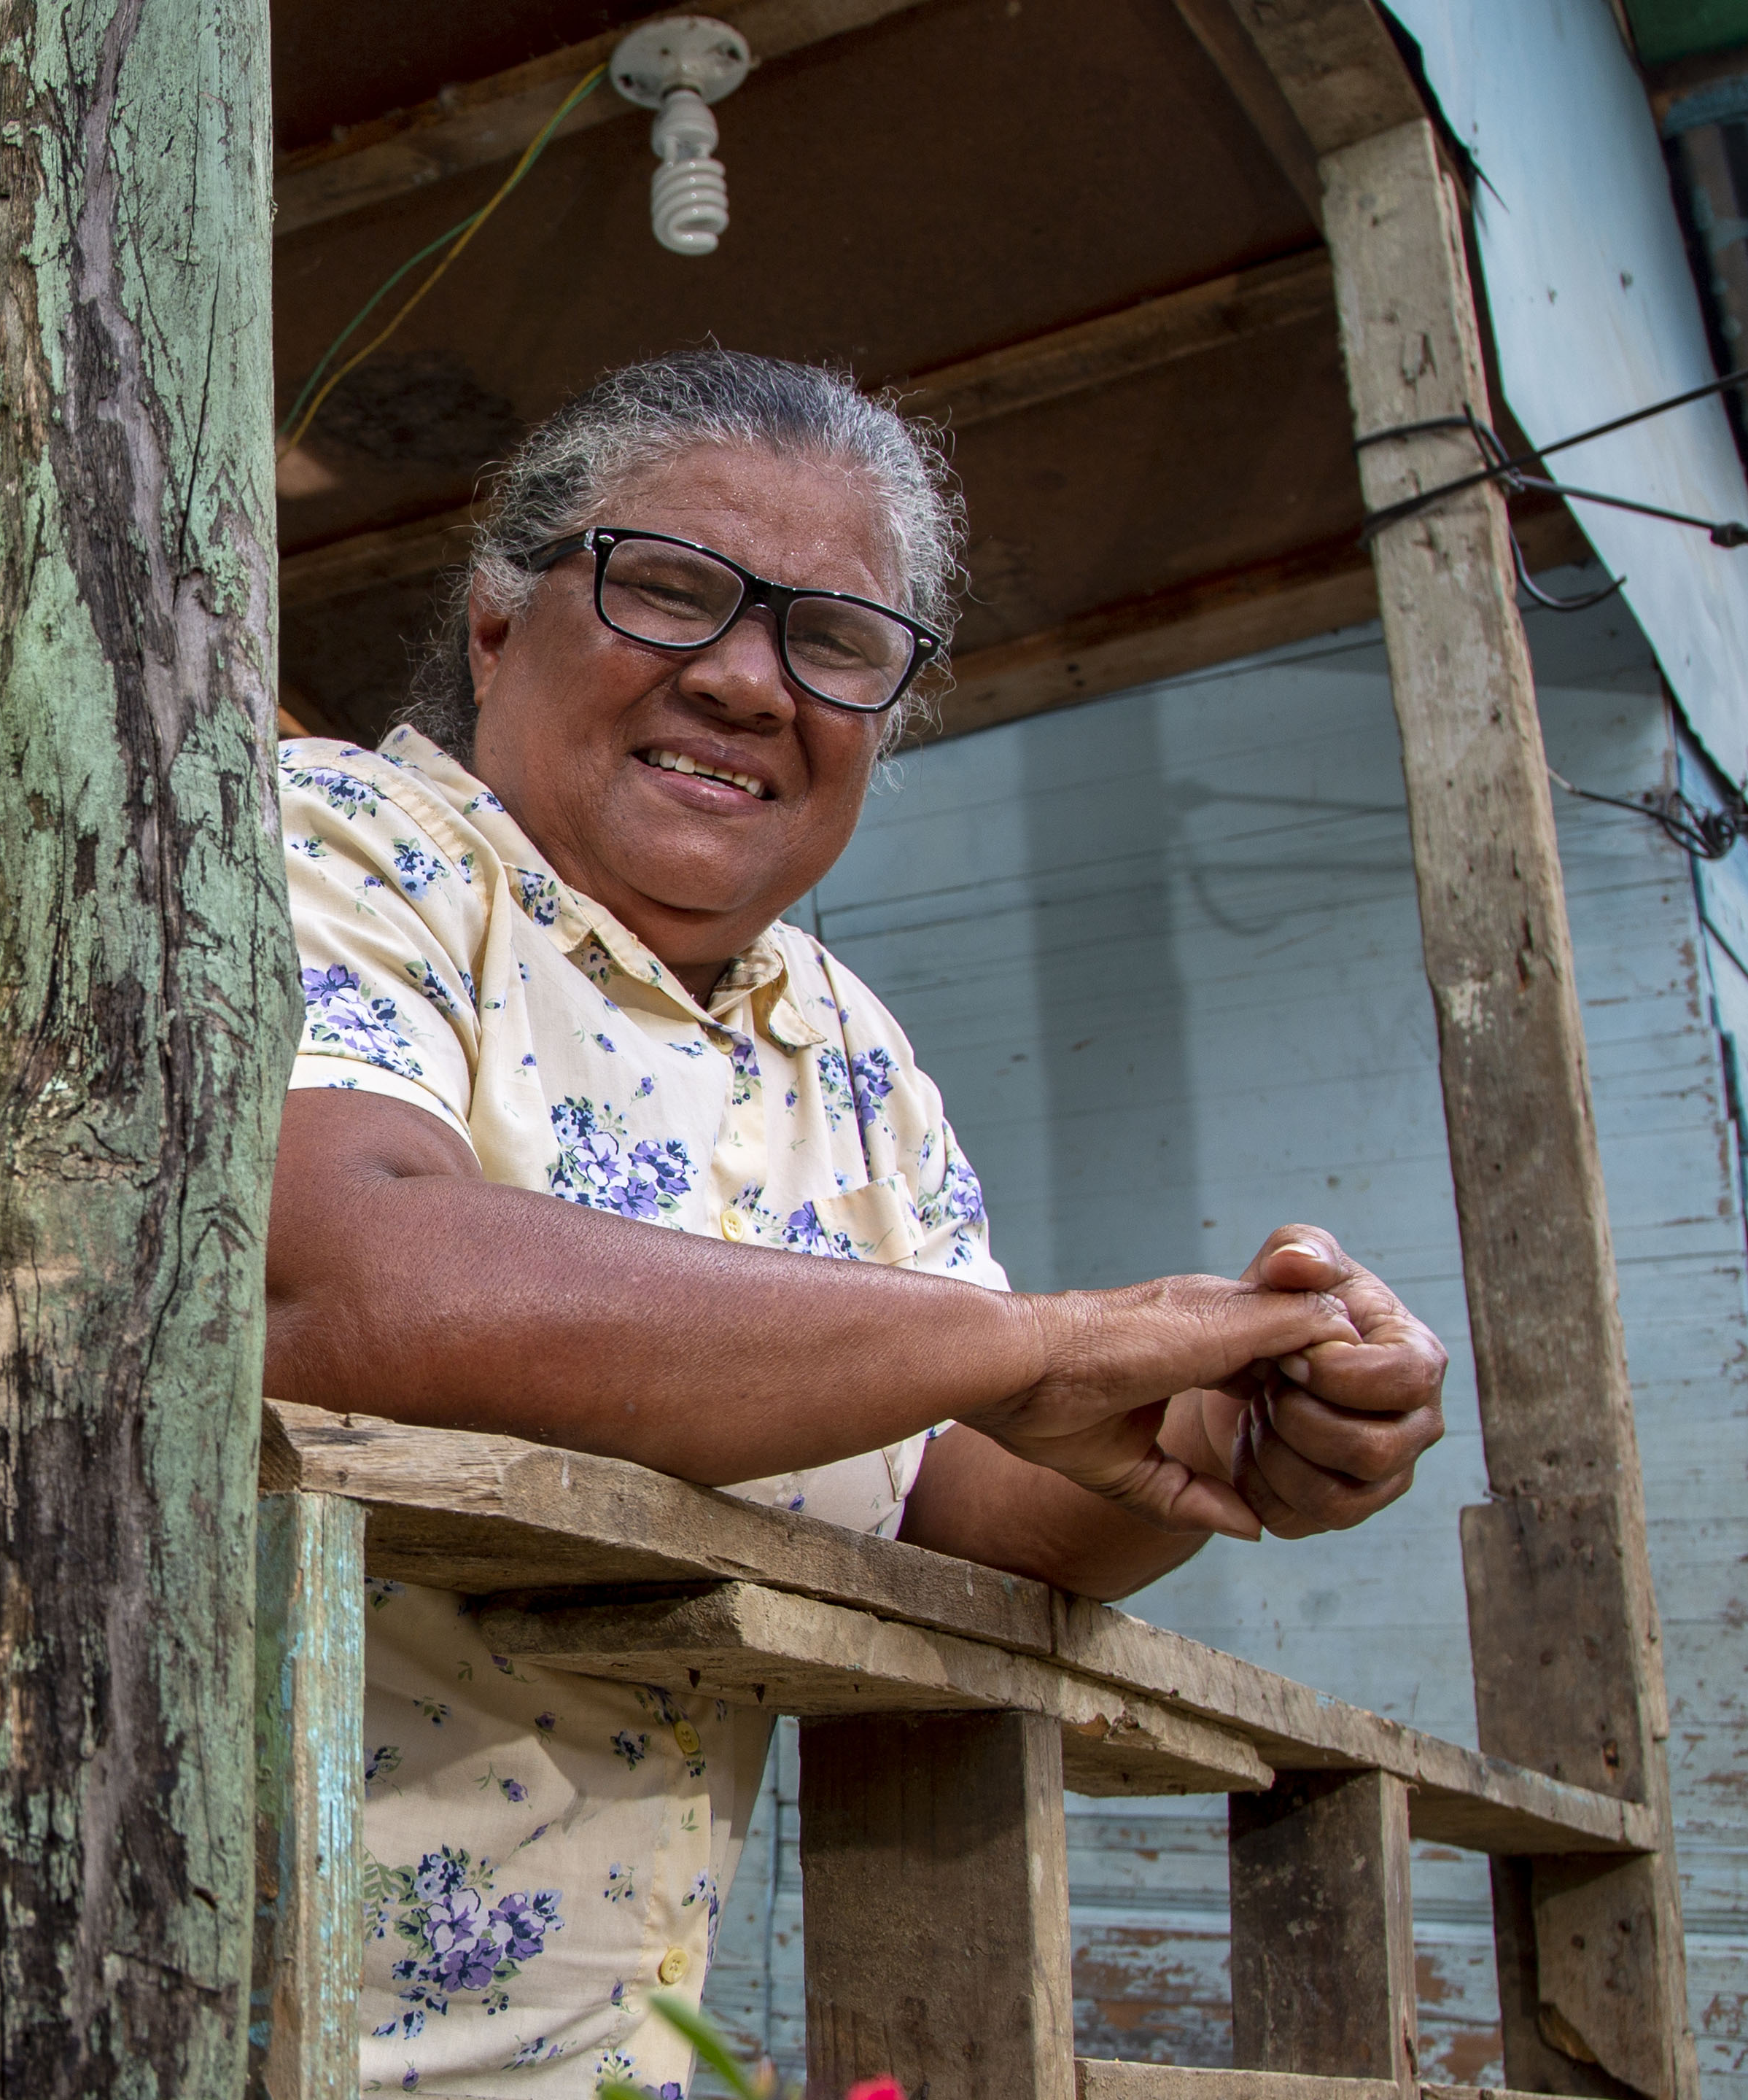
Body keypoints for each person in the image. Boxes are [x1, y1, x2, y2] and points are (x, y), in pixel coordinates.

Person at [264, 348, 1449, 2096]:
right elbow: (353, 1282)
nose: (749, 681)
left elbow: (948, 1498)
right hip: (188, 2005)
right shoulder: (327, 842)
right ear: (497, 624)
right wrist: (1034, 1346)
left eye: (834, 640)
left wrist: (1198, 1441)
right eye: (670, 589)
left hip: (593, 2059)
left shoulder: (846, 1048)